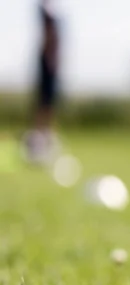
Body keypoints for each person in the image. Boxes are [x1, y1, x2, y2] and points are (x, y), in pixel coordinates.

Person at [23, 0, 62, 166]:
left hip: (48, 61)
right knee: (44, 102)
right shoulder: (46, 11)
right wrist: (51, 59)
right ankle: (41, 142)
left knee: (48, 102)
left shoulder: (50, 10)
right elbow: (49, 34)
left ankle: (46, 138)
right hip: (48, 62)